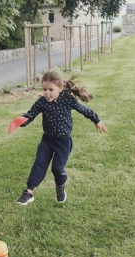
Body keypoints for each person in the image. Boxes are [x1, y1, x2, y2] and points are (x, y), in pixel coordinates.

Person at [16, 70, 107, 205]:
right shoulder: (42, 102)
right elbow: (30, 114)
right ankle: (29, 192)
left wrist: (96, 120)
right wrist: (20, 122)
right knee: (39, 164)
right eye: (44, 89)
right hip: (47, 140)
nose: (47, 93)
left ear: (60, 88)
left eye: (50, 89)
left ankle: (60, 187)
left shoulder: (67, 99)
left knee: (57, 168)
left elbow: (84, 110)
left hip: (63, 142)